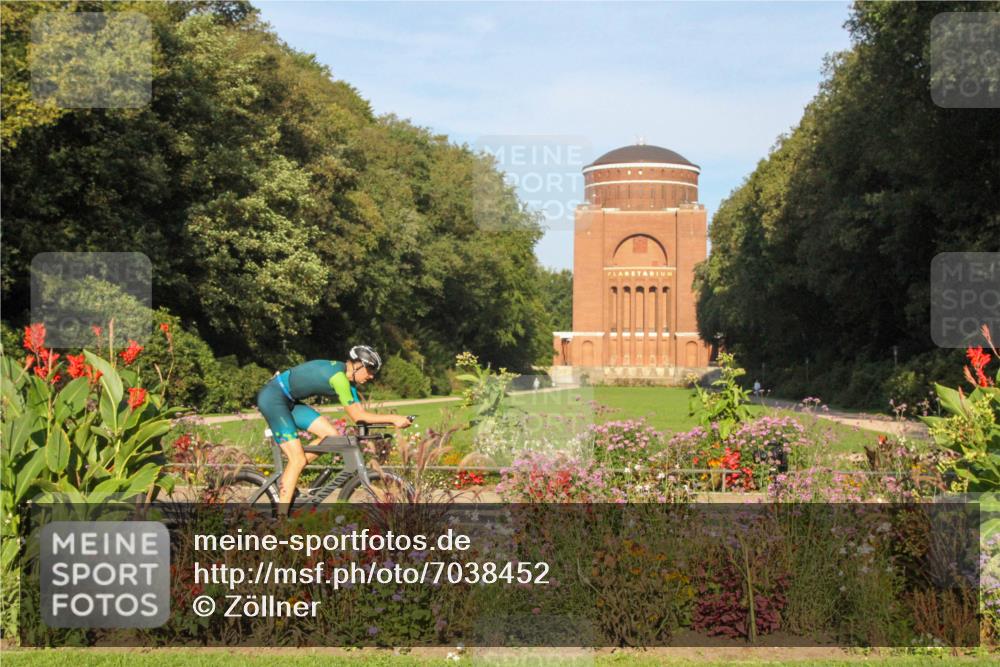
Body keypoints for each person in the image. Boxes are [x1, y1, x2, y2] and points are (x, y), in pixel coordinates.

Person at [256, 345, 412, 513]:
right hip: (273, 398)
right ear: (357, 365)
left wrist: (385, 423)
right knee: (297, 460)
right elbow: (358, 416)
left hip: (289, 401)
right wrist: (393, 419)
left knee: (331, 436)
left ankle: (291, 471)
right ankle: (281, 524)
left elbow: (361, 414)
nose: (372, 376)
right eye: (370, 370)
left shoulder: (348, 381)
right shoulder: (339, 378)